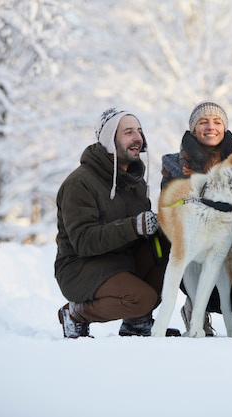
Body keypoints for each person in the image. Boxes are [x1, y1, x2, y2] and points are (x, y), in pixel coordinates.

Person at [54, 107, 178, 338]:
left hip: (121, 261)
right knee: (142, 298)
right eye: (128, 132)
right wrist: (133, 226)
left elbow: (142, 232)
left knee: (172, 250)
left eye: (139, 131)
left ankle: (137, 323)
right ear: (110, 140)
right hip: (81, 267)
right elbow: (83, 242)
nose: (138, 138)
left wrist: (165, 224)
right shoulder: (80, 183)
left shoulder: (135, 182)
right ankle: (75, 313)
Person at [161, 101, 232, 337]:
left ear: (224, 128)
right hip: (195, 239)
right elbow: (172, 203)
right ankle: (196, 308)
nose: (210, 127)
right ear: (194, 129)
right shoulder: (173, 164)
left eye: (217, 122)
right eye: (203, 122)